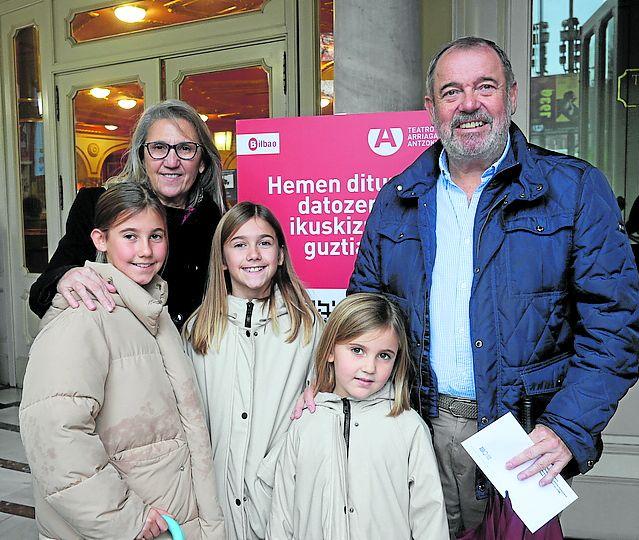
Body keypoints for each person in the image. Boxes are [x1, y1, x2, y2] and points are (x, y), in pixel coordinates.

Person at [295, 36, 639, 536]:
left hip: (521, 438)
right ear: (431, 107)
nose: (469, 104)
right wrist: (325, 386)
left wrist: (568, 426)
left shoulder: (574, 190)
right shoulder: (396, 200)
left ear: (512, 95)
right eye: (452, 91)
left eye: (485, 86)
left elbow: (615, 328)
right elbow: (361, 319)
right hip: (413, 427)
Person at [19, 183, 225, 540]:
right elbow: (55, 439)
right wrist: (127, 520)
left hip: (165, 516)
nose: (145, 250)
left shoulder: (153, 312)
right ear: (100, 240)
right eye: (130, 235)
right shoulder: (83, 319)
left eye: (156, 236)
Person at [184, 202, 322, 539]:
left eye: (264, 242)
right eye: (239, 244)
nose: (254, 254)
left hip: (279, 501)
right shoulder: (198, 331)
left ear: (280, 255)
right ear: (222, 260)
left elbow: (320, 411)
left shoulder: (307, 328)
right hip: (214, 504)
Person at [29, 99, 227, 329]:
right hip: (119, 354)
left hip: (190, 355)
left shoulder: (216, 222)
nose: (171, 162)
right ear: (142, 157)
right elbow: (40, 295)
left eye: (185, 148)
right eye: (159, 147)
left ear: (202, 162)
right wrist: (65, 277)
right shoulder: (98, 204)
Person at [266, 293, 448, 539]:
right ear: (330, 351)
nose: (369, 367)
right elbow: (282, 515)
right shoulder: (305, 422)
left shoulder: (408, 426)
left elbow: (430, 518)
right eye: (357, 350)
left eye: (384, 355)